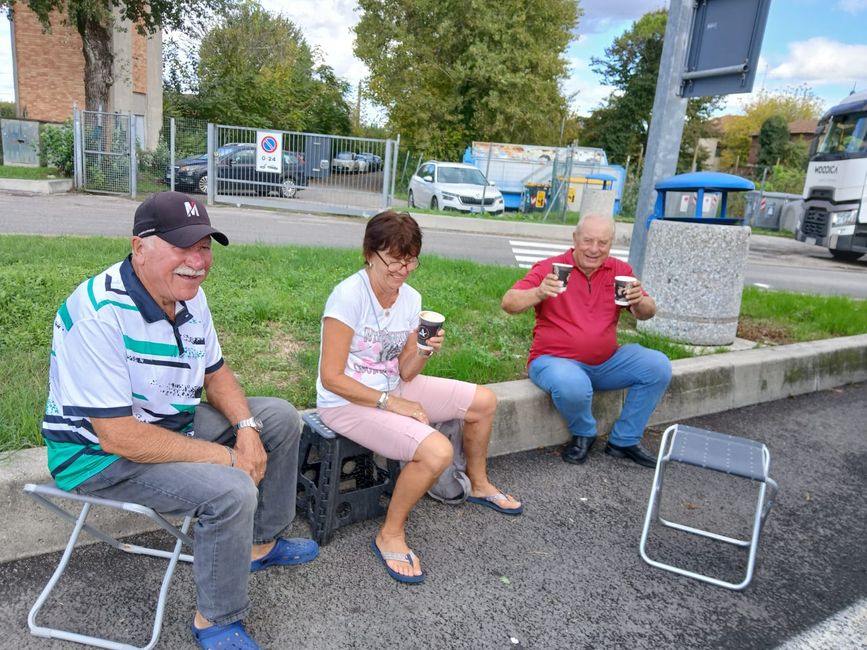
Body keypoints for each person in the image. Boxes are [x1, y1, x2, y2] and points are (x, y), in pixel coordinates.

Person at [42, 191, 317, 650]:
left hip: (170, 423)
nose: (197, 261)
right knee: (232, 489)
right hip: (97, 457)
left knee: (280, 418)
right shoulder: (98, 314)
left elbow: (217, 373)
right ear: (139, 248)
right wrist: (228, 458)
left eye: (205, 247)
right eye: (182, 246)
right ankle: (217, 620)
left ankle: (260, 544)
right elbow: (119, 436)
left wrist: (247, 431)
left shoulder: (190, 297)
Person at [316, 210, 522, 584]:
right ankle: (389, 533)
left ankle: (477, 483)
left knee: (484, 402)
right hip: (346, 402)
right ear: (369, 253)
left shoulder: (410, 299)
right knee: (437, 451)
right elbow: (330, 378)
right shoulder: (347, 297)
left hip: (392, 386)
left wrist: (426, 350)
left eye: (410, 260)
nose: (402, 270)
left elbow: (406, 371)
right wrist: (391, 403)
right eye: (393, 260)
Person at [501, 213, 671, 468]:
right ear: (575, 239)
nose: (594, 249)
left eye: (602, 243)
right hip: (552, 361)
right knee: (573, 383)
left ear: (611, 243)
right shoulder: (552, 268)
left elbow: (647, 313)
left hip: (606, 362)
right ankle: (584, 433)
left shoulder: (619, 271)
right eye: (588, 241)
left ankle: (624, 440)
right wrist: (539, 292)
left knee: (657, 365)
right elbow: (509, 303)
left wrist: (639, 300)